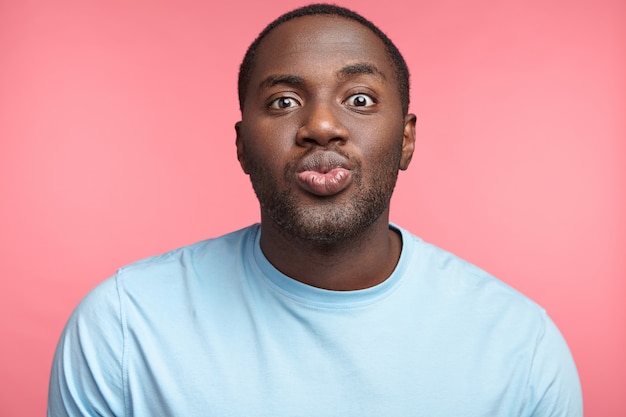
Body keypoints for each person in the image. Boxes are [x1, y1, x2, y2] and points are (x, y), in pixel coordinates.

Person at [48, 4, 583, 416]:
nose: (322, 125)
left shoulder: (519, 346)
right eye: (283, 101)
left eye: (360, 99)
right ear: (241, 145)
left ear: (406, 140)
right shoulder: (124, 329)